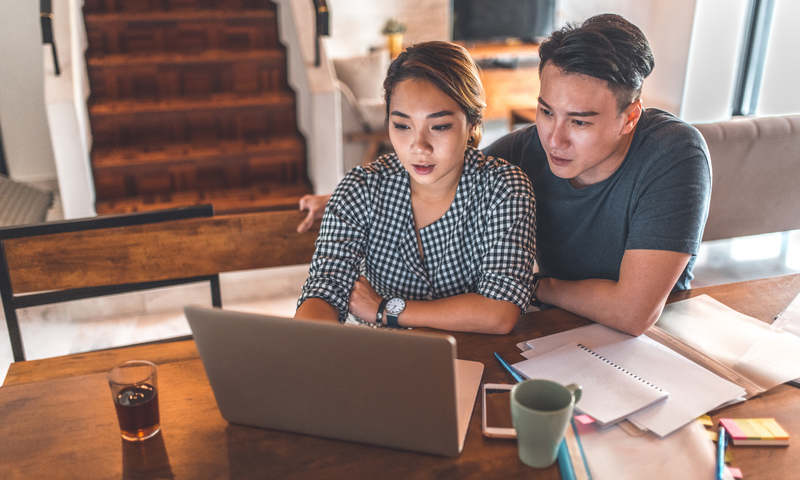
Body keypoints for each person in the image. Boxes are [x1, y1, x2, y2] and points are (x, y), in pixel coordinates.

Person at [296, 15, 712, 337]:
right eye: (546, 111)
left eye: (580, 122)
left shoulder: (673, 153)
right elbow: (441, 171)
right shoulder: (525, 150)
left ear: (629, 117)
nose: (555, 139)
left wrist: (530, 287)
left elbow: (633, 312)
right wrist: (340, 198)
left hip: (654, 342)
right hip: (551, 332)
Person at [295, 41, 536, 334]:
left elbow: (499, 312)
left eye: (439, 126)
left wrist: (385, 309)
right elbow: (325, 289)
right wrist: (304, 346)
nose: (418, 147)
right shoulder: (360, 189)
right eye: (402, 125)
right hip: (387, 359)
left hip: (477, 357)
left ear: (473, 123)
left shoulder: (504, 190)